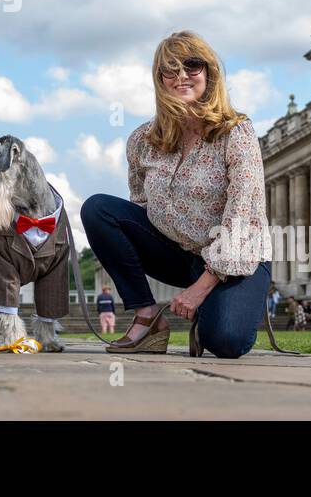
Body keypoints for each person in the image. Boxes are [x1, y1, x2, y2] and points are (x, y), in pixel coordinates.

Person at [81, 30, 272, 358]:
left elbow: (244, 219)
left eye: (192, 65)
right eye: (170, 69)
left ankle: (211, 308)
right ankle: (146, 316)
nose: (182, 75)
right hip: (177, 252)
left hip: (237, 255)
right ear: (159, 79)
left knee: (226, 342)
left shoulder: (236, 132)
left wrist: (200, 290)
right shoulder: (142, 140)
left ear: (209, 73)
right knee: (98, 209)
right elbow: (140, 206)